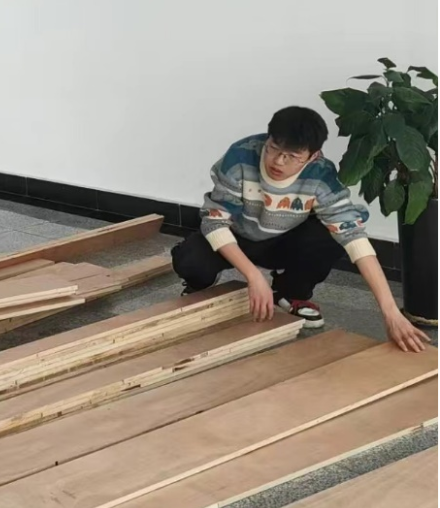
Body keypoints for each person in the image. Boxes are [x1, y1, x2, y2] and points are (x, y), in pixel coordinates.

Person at [172, 106, 430, 353]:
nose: (278, 161)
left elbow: (355, 239)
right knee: (191, 259)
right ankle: (199, 285)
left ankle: (291, 294)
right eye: (273, 148)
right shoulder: (240, 156)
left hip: (285, 241)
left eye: (293, 156)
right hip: (237, 236)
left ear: (313, 156)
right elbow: (215, 221)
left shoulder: (321, 175)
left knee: (329, 237)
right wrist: (253, 276)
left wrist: (390, 312)